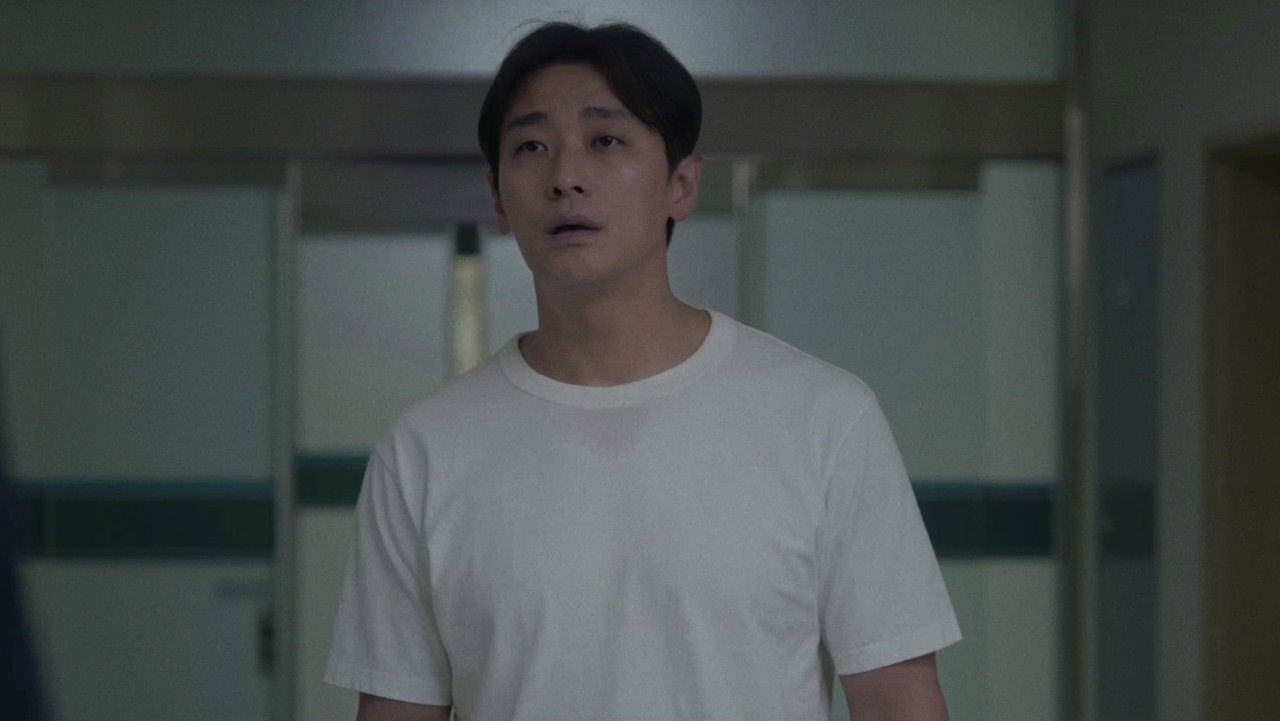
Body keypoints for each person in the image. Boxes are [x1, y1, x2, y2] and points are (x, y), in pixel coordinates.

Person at [325, 21, 960, 721]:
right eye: (531, 146)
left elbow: (899, 703)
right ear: (499, 197)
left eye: (606, 140)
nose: (565, 177)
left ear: (682, 185)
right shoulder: (425, 449)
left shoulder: (824, 418)